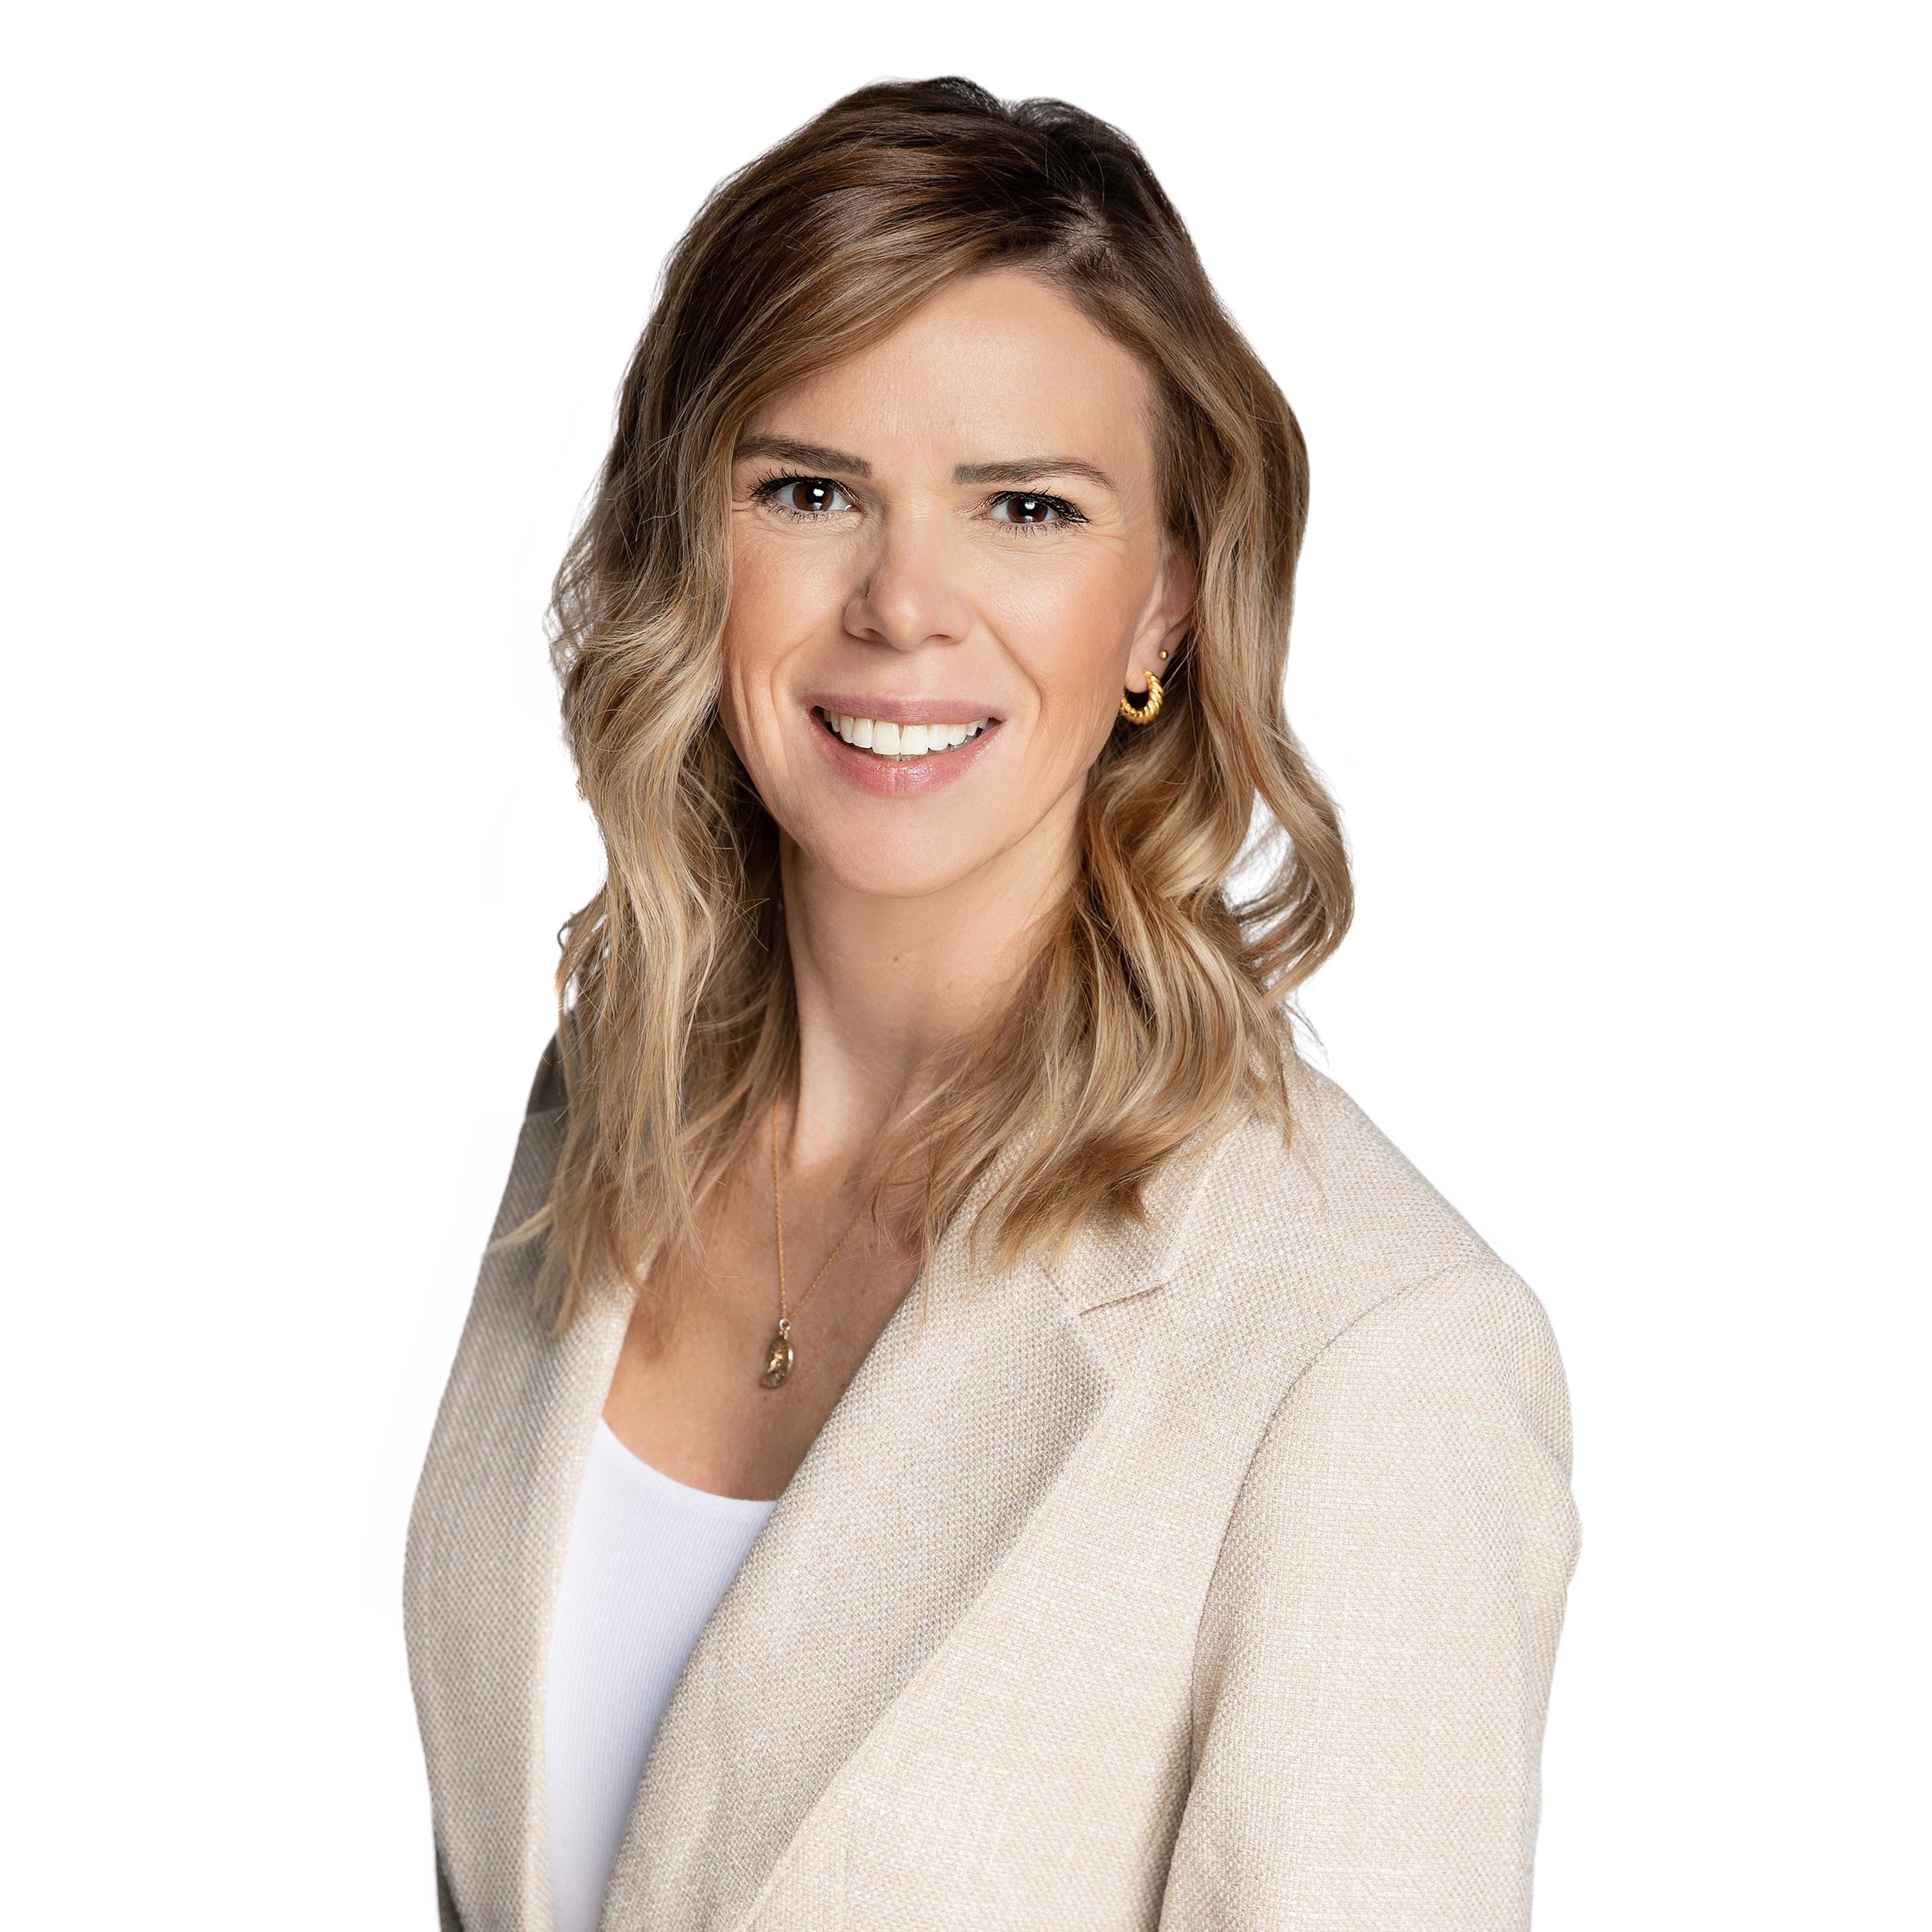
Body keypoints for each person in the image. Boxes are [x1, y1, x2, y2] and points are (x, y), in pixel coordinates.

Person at [403, 75, 1580, 1932]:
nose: (901, 604)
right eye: (806, 489)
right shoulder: (603, 1105)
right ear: (687, 547)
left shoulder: (1365, 1344)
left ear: (1162, 608)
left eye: (1024, 506)